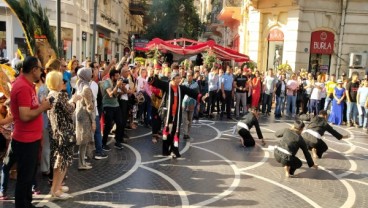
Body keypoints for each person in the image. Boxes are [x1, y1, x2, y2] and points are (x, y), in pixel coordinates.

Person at [10, 56, 52, 207]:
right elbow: (25, 115)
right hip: (25, 141)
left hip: (31, 139)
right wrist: (43, 107)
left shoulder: (27, 84)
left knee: (28, 177)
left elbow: (30, 109)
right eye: (40, 68)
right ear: (34, 70)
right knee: (25, 178)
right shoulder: (22, 86)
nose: (41, 71)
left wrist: (40, 105)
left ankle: (27, 203)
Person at [148, 71, 202, 158]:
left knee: (175, 133)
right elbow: (157, 83)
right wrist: (151, 78)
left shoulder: (181, 88)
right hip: (168, 115)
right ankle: (166, 151)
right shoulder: (167, 86)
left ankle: (174, 151)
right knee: (168, 133)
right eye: (178, 78)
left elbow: (191, 92)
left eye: (180, 78)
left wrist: (200, 96)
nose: (179, 80)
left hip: (177, 115)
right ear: (173, 79)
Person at [46, 71, 80, 199]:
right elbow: (69, 110)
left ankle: (57, 187)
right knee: (62, 163)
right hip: (64, 133)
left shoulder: (51, 94)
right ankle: (55, 190)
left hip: (56, 133)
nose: (64, 82)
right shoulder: (60, 95)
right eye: (62, 80)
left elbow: (62, 110)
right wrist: (75, 100)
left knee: (58, 161)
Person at [75, 67, 96, 170]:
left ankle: (82, 161)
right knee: (84, 140)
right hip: (85, 117)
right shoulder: (86, 88)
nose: (91, 75)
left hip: (80, 114)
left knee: (83, 140)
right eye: (89, 73)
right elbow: (90, 106)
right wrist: (93, 121)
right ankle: (81, 163)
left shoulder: (80, 84)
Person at [102, 69, 124, 151]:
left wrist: (123, 86)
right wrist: (117, 86)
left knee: (120, 123)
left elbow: (122, 92)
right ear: (112, 76)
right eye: (117, 76)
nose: (118, 77)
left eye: (119, 76)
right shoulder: (107, 82)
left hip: (116, 105)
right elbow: (110, 94)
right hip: (108, 105)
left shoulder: (116, 82)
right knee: (108, 125)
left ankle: (117, 141)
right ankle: (103, 143)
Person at [182, 70, 199, 140]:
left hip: (192, 104)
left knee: (190, 120)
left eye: (189, 76)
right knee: (185, 120)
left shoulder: (195, 85)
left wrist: (198, 105)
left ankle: (188, 133)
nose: (188, 77)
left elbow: (198, 95)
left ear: (192, 76)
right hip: (184, 104)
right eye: (187, 76)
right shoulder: (184, 84)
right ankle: (185, 134)